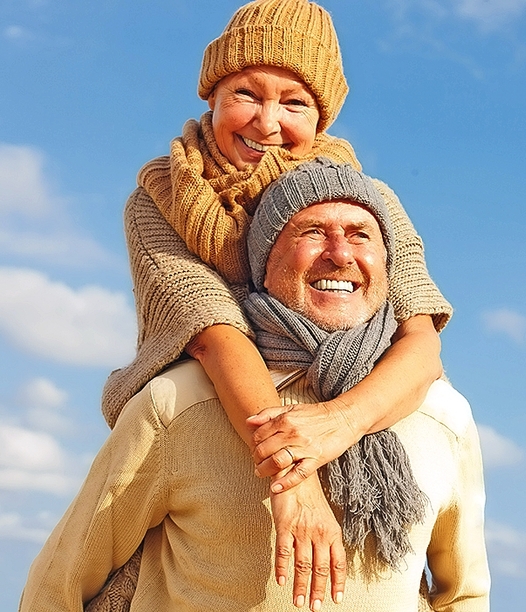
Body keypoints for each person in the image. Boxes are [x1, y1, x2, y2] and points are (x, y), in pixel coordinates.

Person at [94, 0, 452, 602]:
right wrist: (295, 480)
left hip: (347, 408)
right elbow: (212, 330)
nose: (266, 123)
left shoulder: (367, 201)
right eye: (246, 94)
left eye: (294, 103)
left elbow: (421, 339)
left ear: (322, 116)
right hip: (211, 414)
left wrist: (335, 427)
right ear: (212, 93)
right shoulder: (159, 196)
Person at [19, 160, 489, 612]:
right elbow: (59, 584)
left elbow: (463, 596)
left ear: (389, 267)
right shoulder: (178, 404)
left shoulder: (442, 416)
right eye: (311, 232)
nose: (340, 253)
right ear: (264, 263)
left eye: (360, 235)